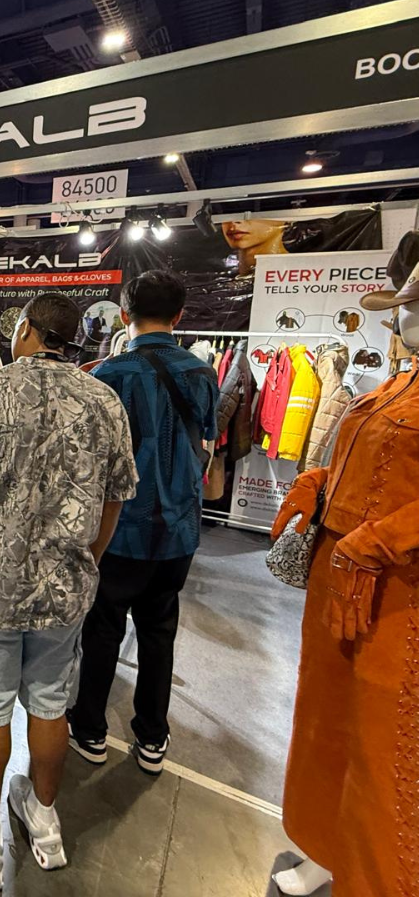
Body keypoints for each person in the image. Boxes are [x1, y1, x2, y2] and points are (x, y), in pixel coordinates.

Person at [0, 293, 137, 892]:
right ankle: (44, 823)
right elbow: (114, 499)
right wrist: (87, 561)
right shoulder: (104, 401)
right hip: (64, 591)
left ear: (25, 330)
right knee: (49, 705)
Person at [267, 256, 419, 897]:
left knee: (389, 746)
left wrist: (380, 540)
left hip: (396, 600)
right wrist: (321, 482)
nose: (405, 319)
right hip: (342, 584)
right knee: (330, 725)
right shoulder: (402, 382)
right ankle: (327, 852)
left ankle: (377, 878)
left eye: (414, 307)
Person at [68, 270, 219, 775]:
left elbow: (87, 459)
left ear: (123, 314)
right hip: (178, 527)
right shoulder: (202, 373)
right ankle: (152, 736)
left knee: (102, 628)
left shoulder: (107, 374)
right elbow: (207, 438)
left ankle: (89, 729)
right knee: (159, 631)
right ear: (179, 315)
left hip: (119, 529)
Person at [221, 219, 289, 275]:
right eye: (225, 211)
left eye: (253, 210)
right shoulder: (222, 278)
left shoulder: (289, 277)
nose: (234, 221)